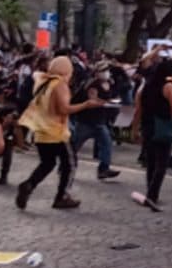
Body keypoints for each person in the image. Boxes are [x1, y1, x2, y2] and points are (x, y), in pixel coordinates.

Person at [15, 56, 106, 210]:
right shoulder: (60, 84)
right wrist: (86, 105)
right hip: (57, 132)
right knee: (69, 164)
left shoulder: (43, 81)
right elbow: (64, 109)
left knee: (47, 163)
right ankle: (62, 196)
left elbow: (39, 84)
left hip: (41, 131)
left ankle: (28, 184)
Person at [132, 59, 172, 211]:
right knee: (162, 163)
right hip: (163, 126)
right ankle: (152, 195)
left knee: (151, 161)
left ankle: (150, 191)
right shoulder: (169, 87)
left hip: (148, 126)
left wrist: (135, 129)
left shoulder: (144, 87)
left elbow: (138, 110)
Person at [70, 64, 120, 180]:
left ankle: (104, 169)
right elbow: (91, 100)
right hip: (86, 121)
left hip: (100, 121)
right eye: (103, 70)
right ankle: (66, 167)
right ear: (96, 72)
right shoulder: (91, 84)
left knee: (106, 143)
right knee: (75, 145)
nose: (106, 72)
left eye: (107, 70)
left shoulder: (110, 84)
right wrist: (106, 102)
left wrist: (112, 103)